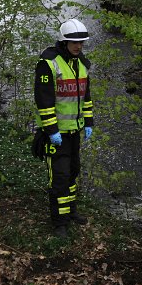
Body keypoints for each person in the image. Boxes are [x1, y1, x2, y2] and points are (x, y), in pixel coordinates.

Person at [34, 19, 94, 238]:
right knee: (58, 177)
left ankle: (70, 212)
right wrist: (52, 131)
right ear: (64, 41)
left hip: (74, 132)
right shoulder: (49, 63)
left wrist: (88, 123)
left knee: (73, 172)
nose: (79, 46)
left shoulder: (82, 65)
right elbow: (44, 100)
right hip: (55, 134)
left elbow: (85, 98)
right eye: (74, 42)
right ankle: (59, 222)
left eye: (81, 43)